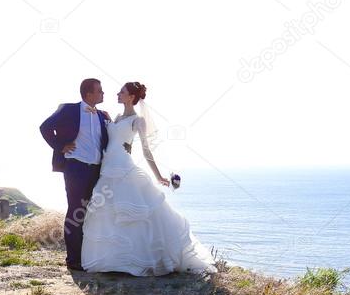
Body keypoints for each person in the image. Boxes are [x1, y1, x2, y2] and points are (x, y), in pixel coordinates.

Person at [80, 81, 217, 276]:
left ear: (131, 97)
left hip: (124, 168)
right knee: (108, 213)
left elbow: (146, 150)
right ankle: (114, 260)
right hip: (108, 168)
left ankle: (139, 259)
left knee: (131, 213)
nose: (117, 93)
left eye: (122, 91)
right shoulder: (115, 117)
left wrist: (158, 175)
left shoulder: (138, 121)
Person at [38, 77, 110, 271]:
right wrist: (60, 146)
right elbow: (45, 127)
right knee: (75, 212)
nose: (103, 93)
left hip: (97, 170)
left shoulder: (103, 116)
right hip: (75, 168)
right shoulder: (68, 109)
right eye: (100, 90)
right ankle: (73, 260)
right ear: (89, 94)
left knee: (91, 213)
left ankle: (88, 256)